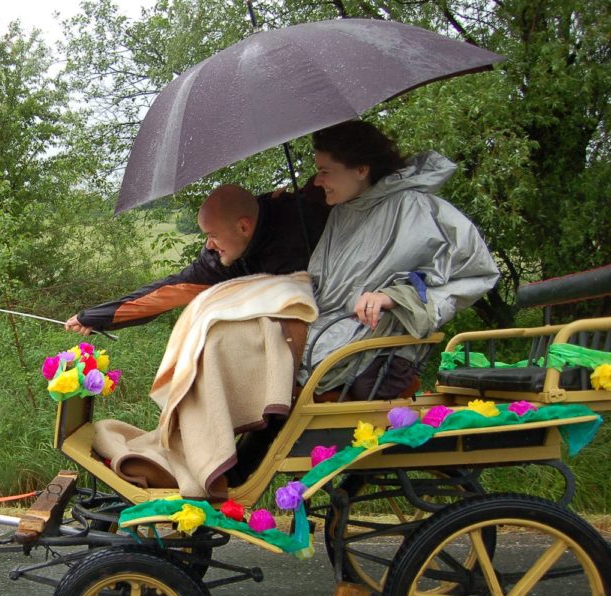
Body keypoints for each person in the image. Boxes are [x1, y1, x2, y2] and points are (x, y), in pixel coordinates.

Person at [300, 119, 500, 397]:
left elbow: (474, 273)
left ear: (361, 170)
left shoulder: (412, 206)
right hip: (332, 335)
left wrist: (393, 297)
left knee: (358, 389)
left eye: (324, 171)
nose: (317, 180)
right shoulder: (340, 214)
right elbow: (323, 286)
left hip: (386, 347)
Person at [65, 182, 330, 335]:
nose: (209, 244)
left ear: (244, 227)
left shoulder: (313, 221)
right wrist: (95, 317)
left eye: (213, 235)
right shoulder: (223, 257)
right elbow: (168, 292)